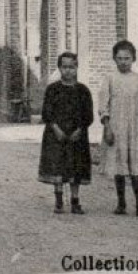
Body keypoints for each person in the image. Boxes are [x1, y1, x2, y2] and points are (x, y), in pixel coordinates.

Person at [100, 39, 138, 217]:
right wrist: (107, 127)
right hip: (116, 128)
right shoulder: (109, 79)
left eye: (127, 58)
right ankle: (121, 203)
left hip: (135, 130)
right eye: (119, 58)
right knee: (119, 166)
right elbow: (104, 105)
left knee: (136, 167)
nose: (123, 61)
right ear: (114, 59)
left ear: (133, 59)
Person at [38, 52, 94, 214]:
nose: (68, 71)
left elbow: (88, 115)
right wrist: (55, 128)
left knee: (76, 166)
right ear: (59, 68)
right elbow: (46, 113)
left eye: (71, 67)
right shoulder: (52, 90)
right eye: (64, 67)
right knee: (58, 165)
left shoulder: (83, 91)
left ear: (77, 68)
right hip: (56, 135)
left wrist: (80, 130)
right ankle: (59, 200)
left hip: (77, 135)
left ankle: (75, 201)